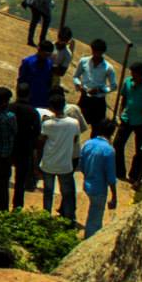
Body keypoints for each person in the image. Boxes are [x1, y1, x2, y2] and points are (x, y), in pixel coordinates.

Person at [37, 92, 82, 223]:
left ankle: (45, 219)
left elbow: (41, 142)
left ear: (51, 107)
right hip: (65, 164)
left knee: (48, 193)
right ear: (64, 106)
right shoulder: (74, 123)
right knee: (67, 194)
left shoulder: (47, 124)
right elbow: (75, 140)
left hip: (48, 163)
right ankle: (68, 220)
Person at [78, 127, 118, 239]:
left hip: (87, 184)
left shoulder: (88, 143)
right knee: (95, 218)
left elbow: (81, 165)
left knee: (93, 212)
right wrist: (114, 196)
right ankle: (89, 240)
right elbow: (111, 176)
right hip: (99, 188)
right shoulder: (109, 150)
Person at [73, 39, 117, 136]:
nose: (96, 54)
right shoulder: (84, 61)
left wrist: (100, 90)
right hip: (84, 99)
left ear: (102, 52)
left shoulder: (108, 67)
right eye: (94, 51)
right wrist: (79, 85)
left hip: (98, 101)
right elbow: (76, 76)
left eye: (98, 52)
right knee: (76, 125)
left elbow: (113, 86)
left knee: (97, 129)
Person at [10, 93, 41, 211]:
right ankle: (17, 206)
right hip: (25, 147)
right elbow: (37, 131)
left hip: (10, 146)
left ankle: (1, 207)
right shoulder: (33, 111)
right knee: (20, 180)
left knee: (4, 178)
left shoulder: (9, 108)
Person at [16, 40, 56, 110]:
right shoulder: (28, 62)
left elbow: (49, 81)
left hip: (43, 100)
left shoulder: (49, 64)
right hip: (29, 99)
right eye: (45, 54)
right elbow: (21, 81)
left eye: (48, 55)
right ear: (39, 50)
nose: (46, 56)